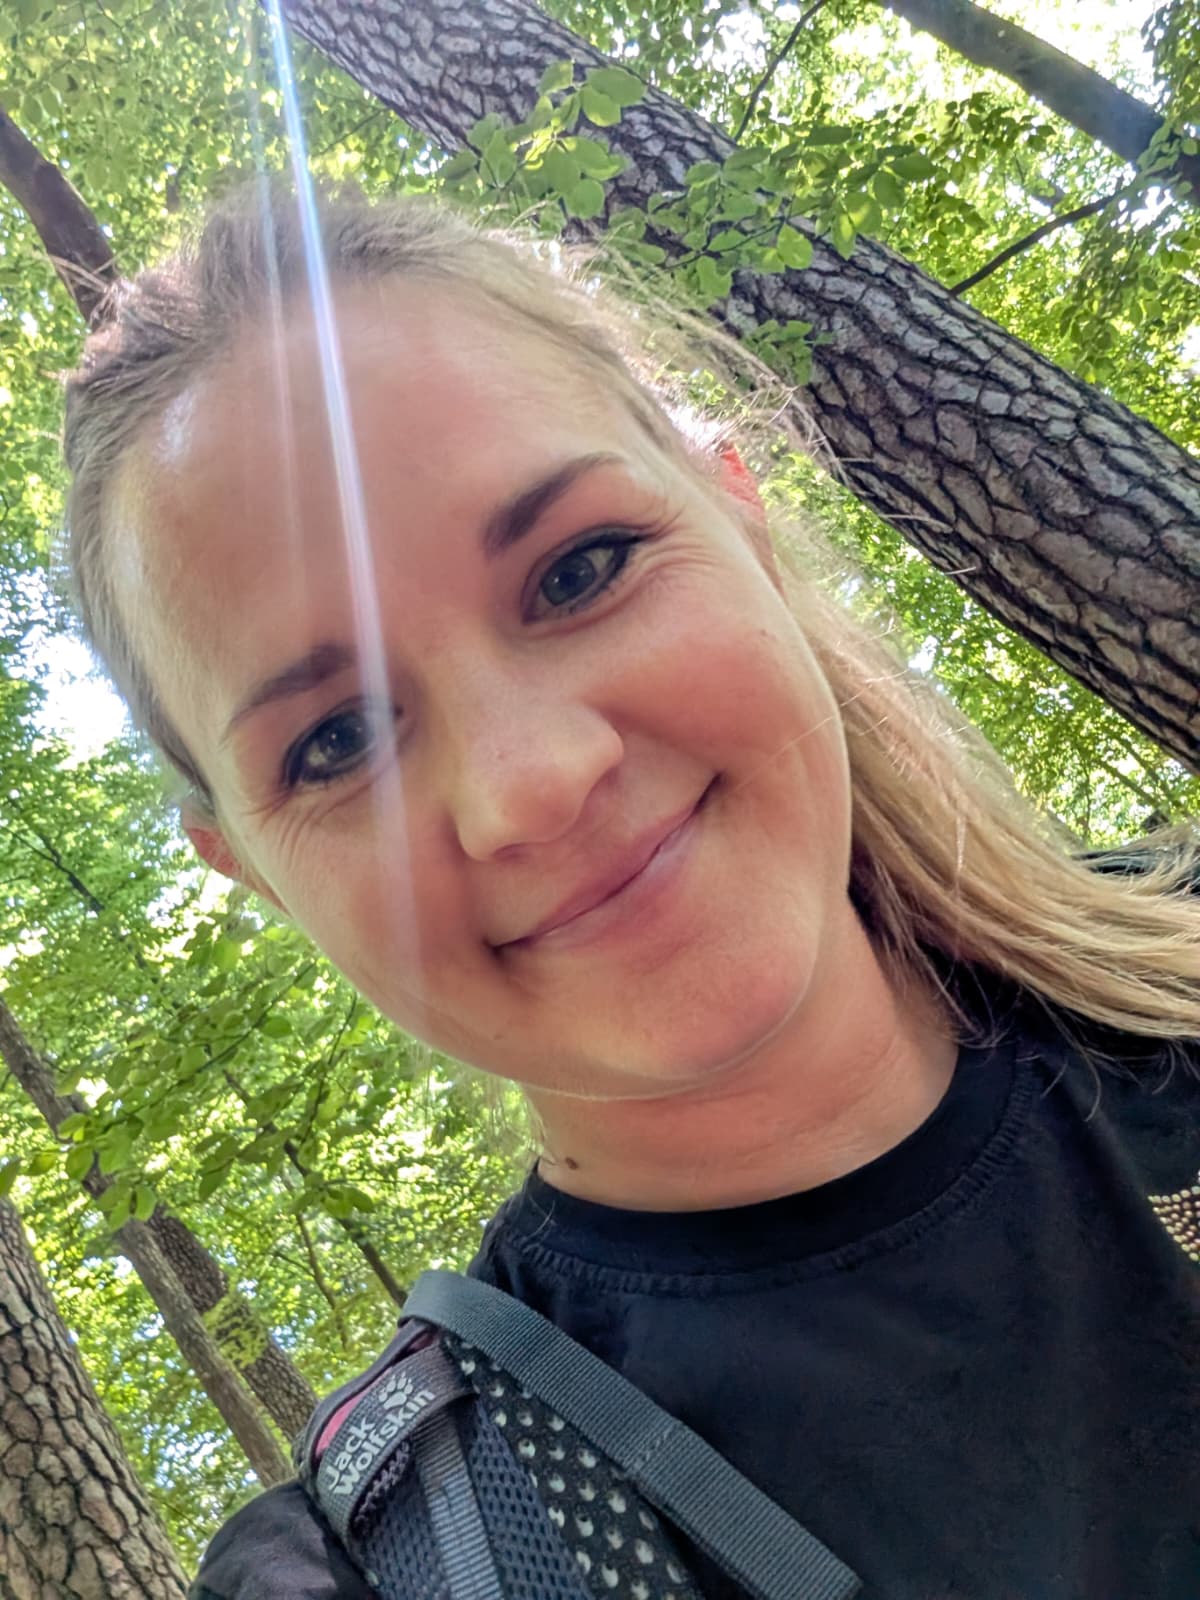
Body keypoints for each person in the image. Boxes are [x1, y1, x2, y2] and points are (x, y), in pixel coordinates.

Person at [62, 181, 1198, 1600]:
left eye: (579, 570)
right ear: (255, 874)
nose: (531, 785)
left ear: (741, 517)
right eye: (335, 741)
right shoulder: (418, 1557)